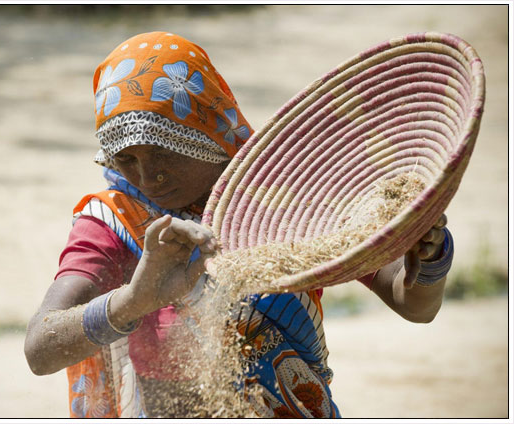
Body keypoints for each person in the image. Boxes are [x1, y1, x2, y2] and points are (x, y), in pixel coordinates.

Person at [24, 31, 454, 418]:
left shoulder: (285, 202)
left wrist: (428, 257)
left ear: (211, 136)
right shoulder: (114, 221)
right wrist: (134, 300)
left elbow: (415, 305)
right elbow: (40, 350)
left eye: (165, 151)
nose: (147, 176)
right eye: (125, 160)